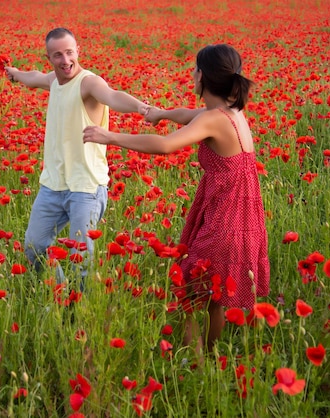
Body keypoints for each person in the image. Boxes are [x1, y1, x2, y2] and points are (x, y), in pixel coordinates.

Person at [83, 44, 270, 353]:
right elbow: (190, 115)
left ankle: (194, 362)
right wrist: (161, 114)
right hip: (240, 217)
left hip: (224, 221)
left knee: (184, 290)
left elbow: (166, 146)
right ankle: (207, 361)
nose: (191, 75)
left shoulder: (215, 120)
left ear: (202, 77)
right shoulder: (230, 112)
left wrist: (111, 137)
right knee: (215, 297)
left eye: (194, 70)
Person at [5, 27, 150, 288]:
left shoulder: (88, 82)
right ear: (49, 57)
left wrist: (141, 107)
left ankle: (77, 313)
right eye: (57, 55)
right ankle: (62, 292)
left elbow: (113, 96)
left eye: (69, 52)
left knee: (81, 260)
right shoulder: (53, 80)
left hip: (85, 187)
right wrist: (14, 74)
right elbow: (34, 77)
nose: (65, 60)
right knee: (34, 246)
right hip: (53, 185)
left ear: (78, 51)